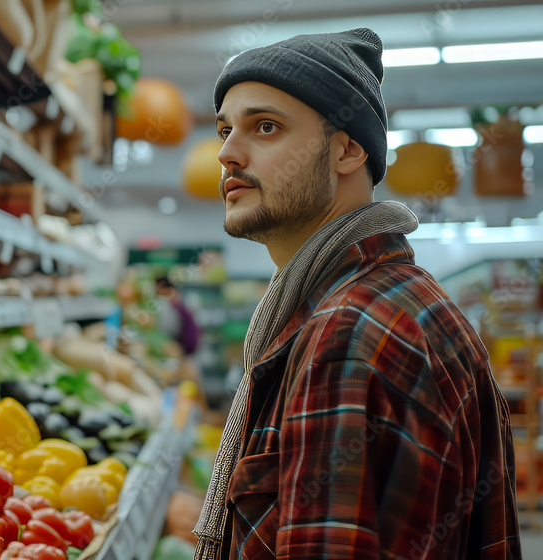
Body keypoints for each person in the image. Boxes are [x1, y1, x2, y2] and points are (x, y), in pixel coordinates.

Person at [192, 29, 521, 559]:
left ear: (347, 149)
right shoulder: (388, 302)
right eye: (225, 130)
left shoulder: (347, 333)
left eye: (266, 127)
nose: (227, 153)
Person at [156, 276, 201, 357]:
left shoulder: (172, 307)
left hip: (184, 351)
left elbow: (170, 331)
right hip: (187, 349)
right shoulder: (178, 305)